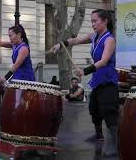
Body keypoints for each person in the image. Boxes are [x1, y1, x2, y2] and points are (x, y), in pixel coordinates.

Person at [50, 9, 118, 156]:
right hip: (98, 80)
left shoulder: (109, 39)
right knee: (94, 109)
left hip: (108, 80)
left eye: (95, 21)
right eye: (91, 21)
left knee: (109, 113)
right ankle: (99, 135)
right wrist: (60, 45)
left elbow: (104, 61)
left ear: (105, 21)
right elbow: (76, 40)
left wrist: (84, 71)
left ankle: (115, 144)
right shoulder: (94, 37)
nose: (92, 24)